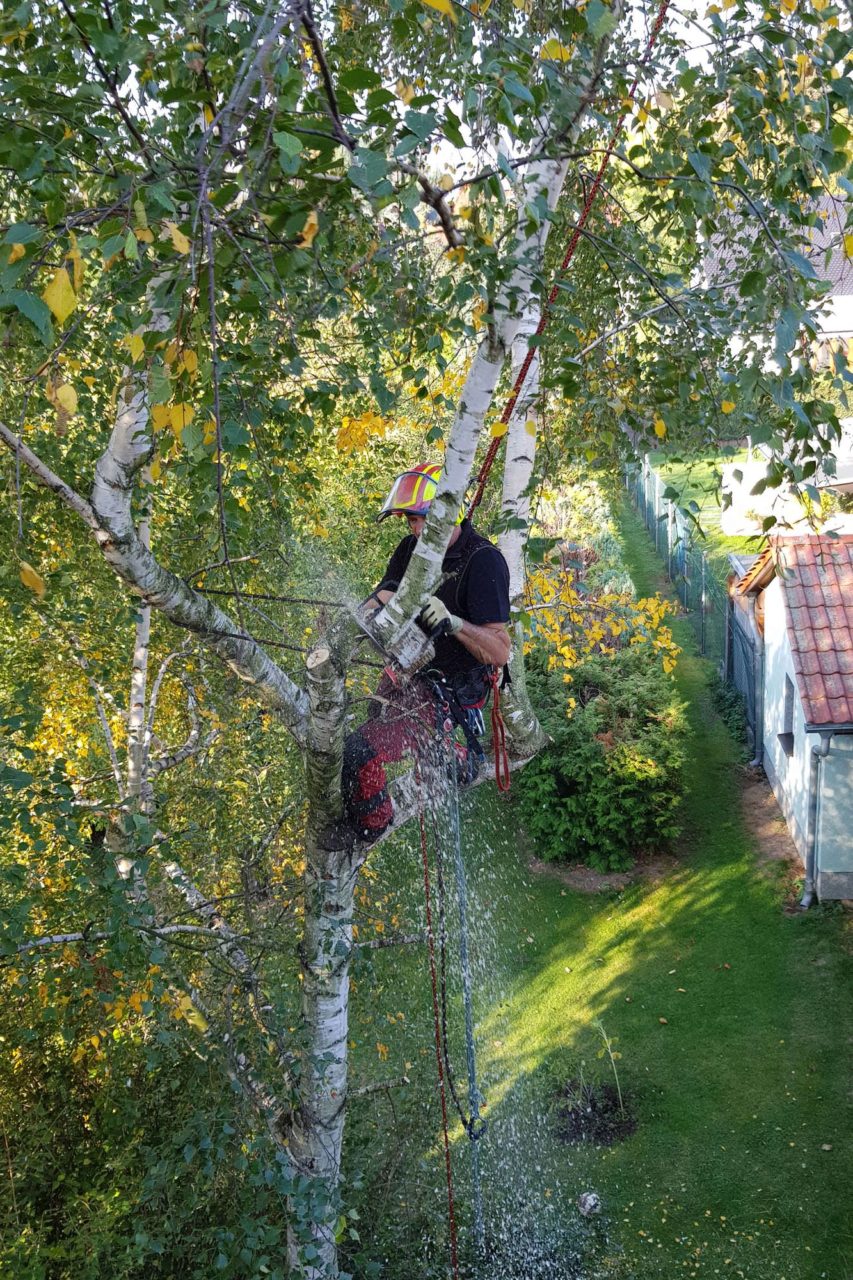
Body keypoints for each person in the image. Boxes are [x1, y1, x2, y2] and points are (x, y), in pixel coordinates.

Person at [342, 463, 511, 842]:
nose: (415, 531)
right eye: (410, 522)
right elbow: (385, 594)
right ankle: (431, 753)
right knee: (373, 716)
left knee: (358, 751)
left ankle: (371, 827)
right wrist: (361, 616)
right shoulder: (411, 551)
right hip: (409, 671)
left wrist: (455, 624)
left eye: (420, 521)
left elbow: (500, 651)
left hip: (452, 692)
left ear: (446, 515)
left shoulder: (483, 562)